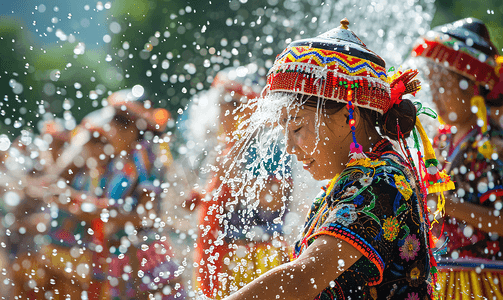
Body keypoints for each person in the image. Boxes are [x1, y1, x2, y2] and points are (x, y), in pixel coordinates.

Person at [208, 18, 448, 299]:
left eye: (297, 127)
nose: (289, 146)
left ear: (350, 118)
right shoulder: (363, 174)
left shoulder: (380, 182)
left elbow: (302, 278)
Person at [30, 90, 186, 299]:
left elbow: (147, 215)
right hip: (116, 259)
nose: (109, 134)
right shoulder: (118, 160)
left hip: (144, 258)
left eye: (113, 127)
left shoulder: (146, 157)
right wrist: (84, 204)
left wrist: (97, 211)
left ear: (130, 129)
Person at [412, 18, 503, 298]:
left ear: (473, 85)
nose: (434, 95)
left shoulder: (491, 145)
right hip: (443, 276)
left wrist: (446, 205)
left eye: (442, 84)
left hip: (485, 279)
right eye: (431, 83)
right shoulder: (440, 140)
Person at [185, 67, 292, 299]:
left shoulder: (269, 143)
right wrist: (204, 196)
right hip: (224, 255)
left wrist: (236, 178)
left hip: (256, 257)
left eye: (233, 103)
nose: (224, 111)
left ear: (253, 107)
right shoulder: (229, 145)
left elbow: (275, 201)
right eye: (222, 103)